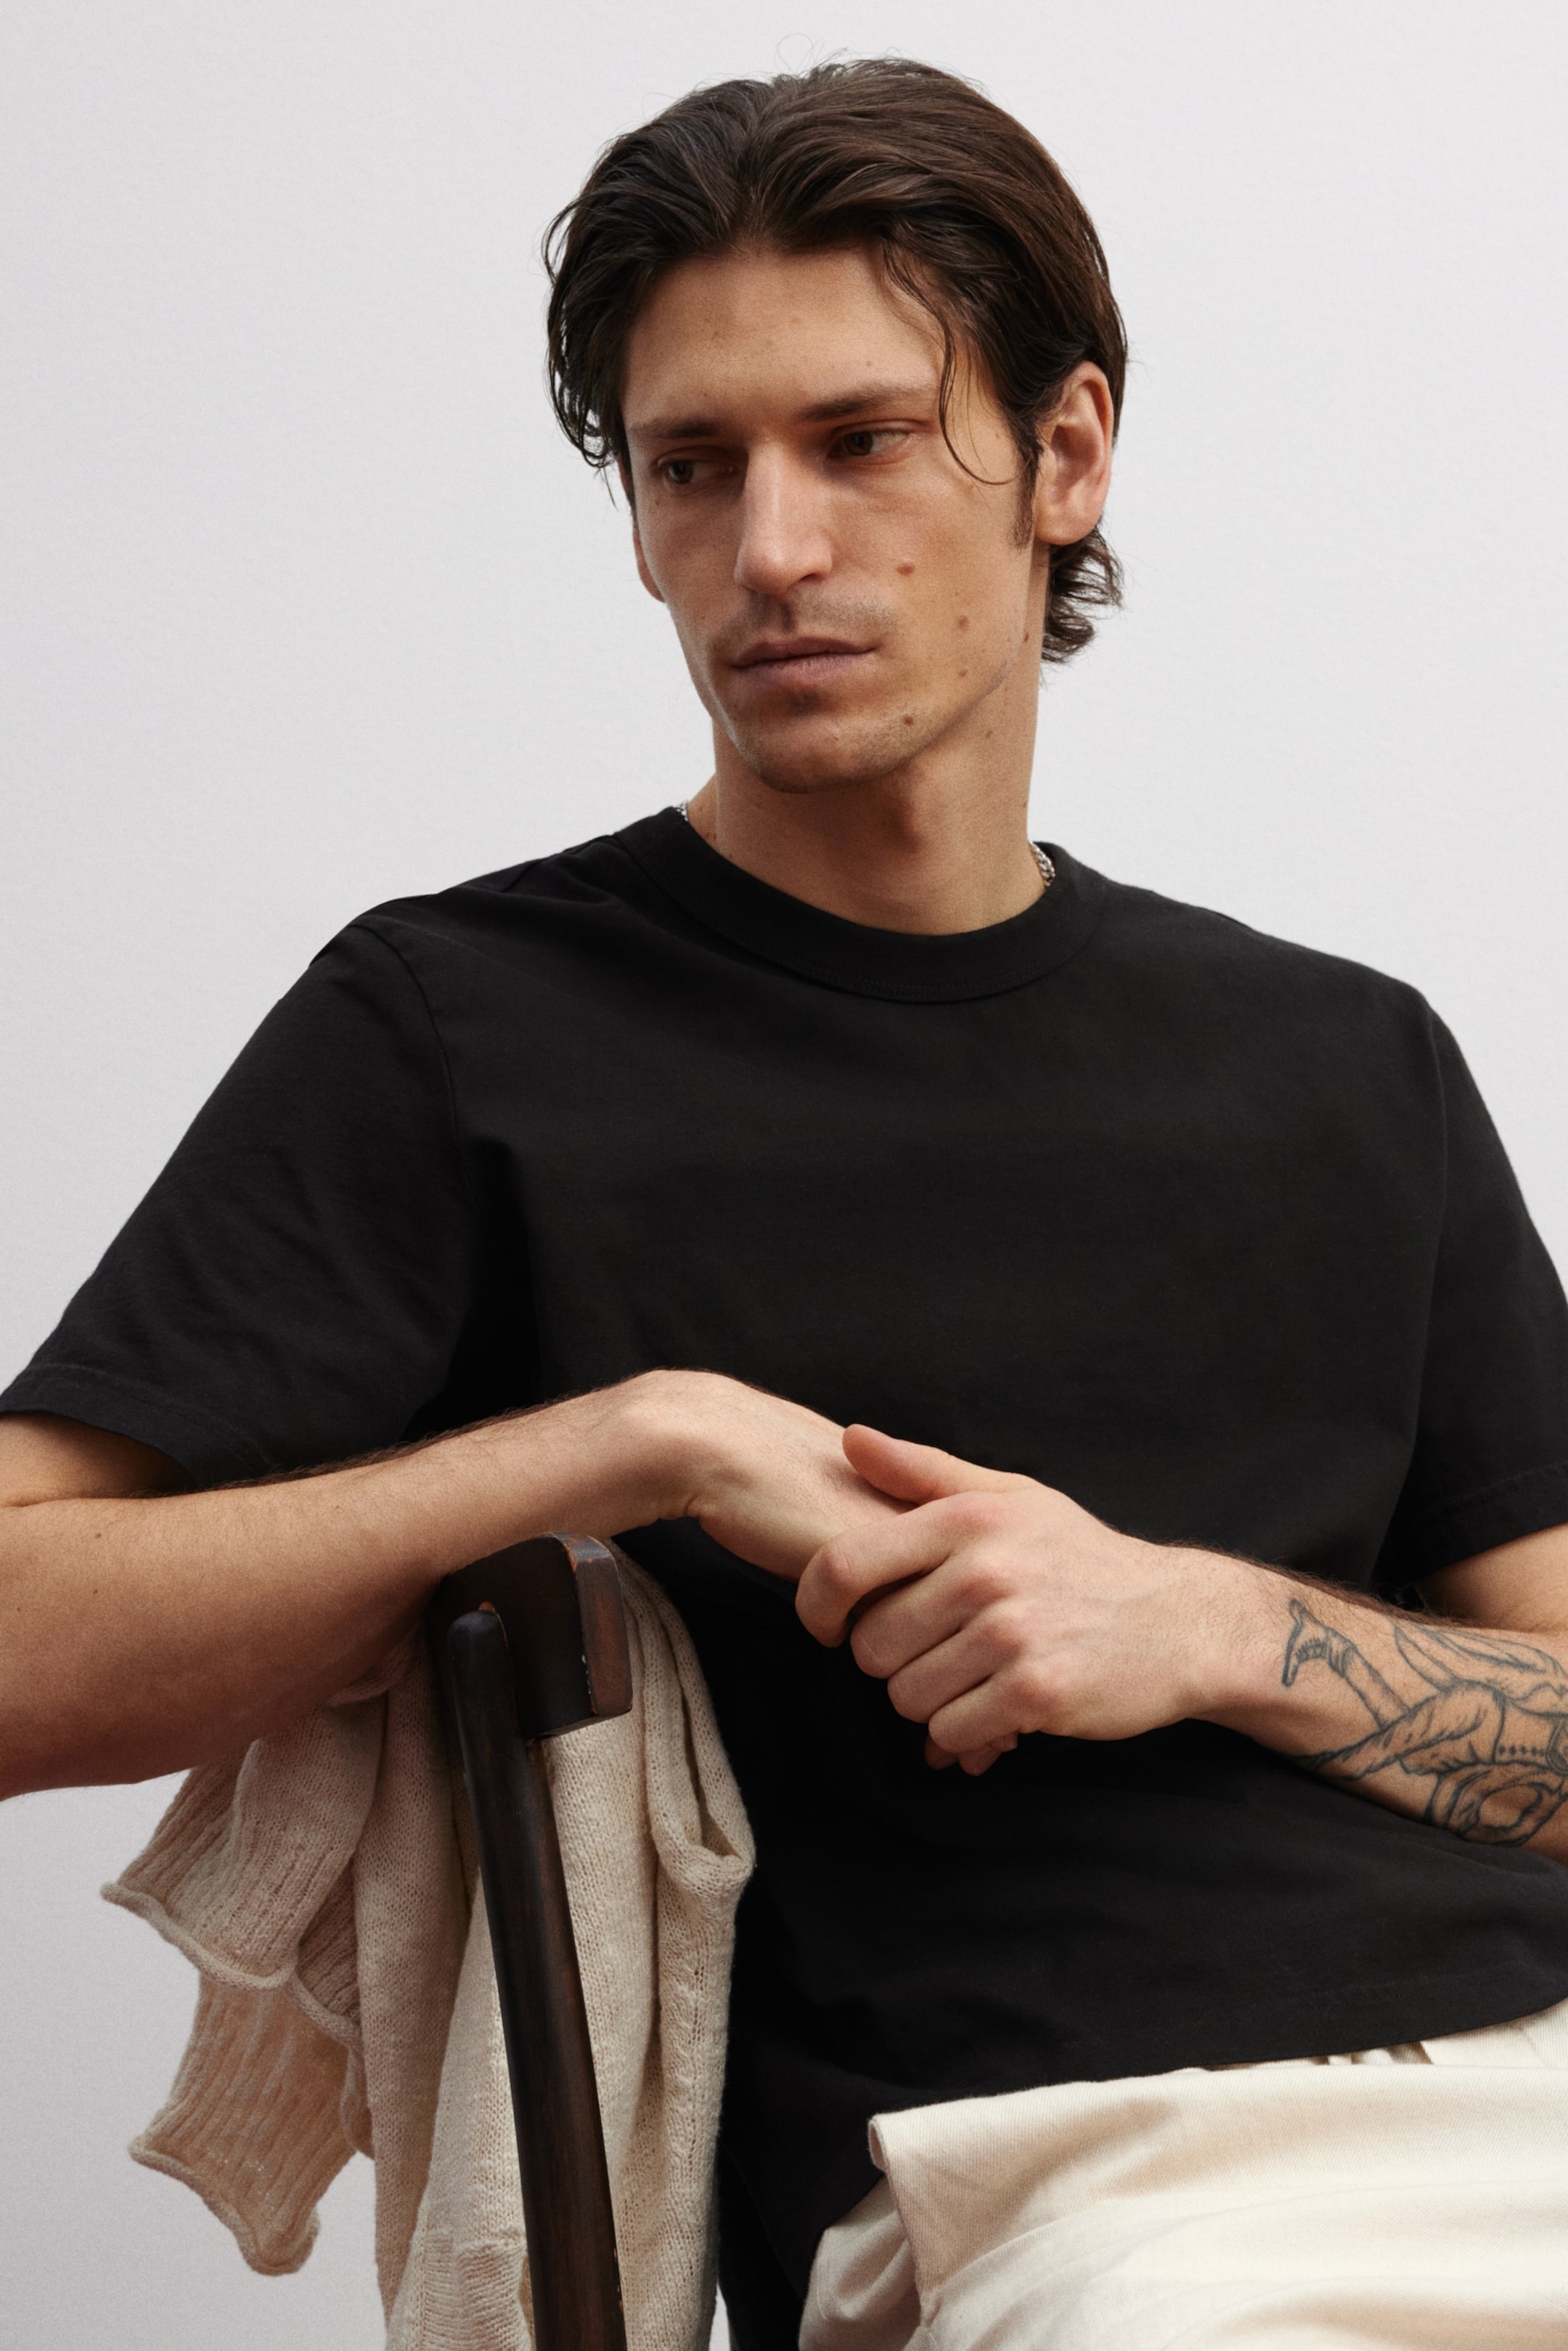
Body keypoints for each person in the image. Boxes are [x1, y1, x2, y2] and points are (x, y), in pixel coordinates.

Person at [4, 55, 1568, 2351]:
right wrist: (633, 1443)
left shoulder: (1350, 1061)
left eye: (859, 441)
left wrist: (1214, 1631)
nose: (771, 551)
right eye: (692, 466)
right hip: (1064, 2181)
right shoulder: (461, 1027)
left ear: (1066, 456)